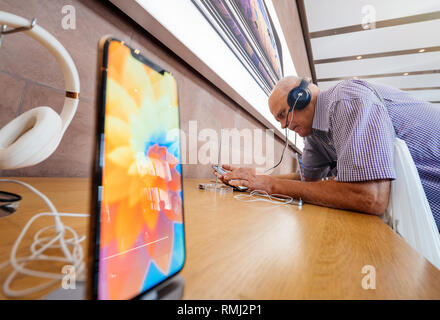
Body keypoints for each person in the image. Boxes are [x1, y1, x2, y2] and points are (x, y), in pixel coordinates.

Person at [215, 76, 440, 231]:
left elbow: (371, 197)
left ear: (300, 96)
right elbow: (307, 180)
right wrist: (253, 178)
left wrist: (271, 185)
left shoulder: (346, 99)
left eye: (283, 114)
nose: (283, 125)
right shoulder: (313, 133)